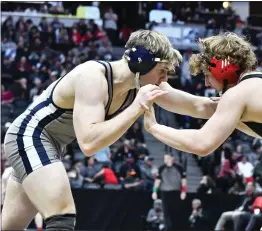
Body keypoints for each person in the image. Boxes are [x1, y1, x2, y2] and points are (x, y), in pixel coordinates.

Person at [3, 29, 220, 231]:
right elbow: (89, 144)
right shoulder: (93, 76)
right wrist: (137, 107)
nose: (164, 80)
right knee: (61, 215)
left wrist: (239, 101)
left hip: (51, 144)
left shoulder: (140, 84)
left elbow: (198, 106)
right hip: (30, 136)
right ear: (140, 64)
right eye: (162, 71)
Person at [143, 32, 262, 230]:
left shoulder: (239, 94)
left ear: (225, 69)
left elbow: (202, 144)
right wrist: (152, 78)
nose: (206, 83)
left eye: (208, 75)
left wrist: (154, 128)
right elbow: (198, 106)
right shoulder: (261, 85)